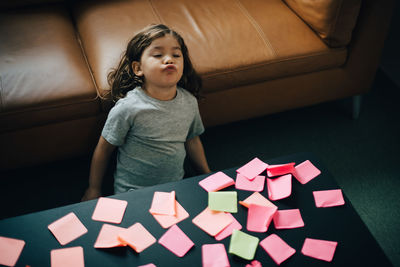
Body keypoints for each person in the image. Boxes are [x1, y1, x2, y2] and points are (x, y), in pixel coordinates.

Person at [82, 24, 211, 201]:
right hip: (132, 193)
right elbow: (104, 149)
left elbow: (192, 139)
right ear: (138, 68)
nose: (169, 59)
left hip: (174, 189)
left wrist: (207, 174)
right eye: (158, 55)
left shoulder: (189, 101)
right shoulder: (128, 107)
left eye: (176, 54)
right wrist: (94, 188)